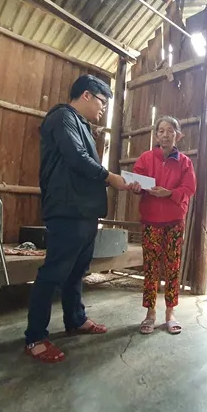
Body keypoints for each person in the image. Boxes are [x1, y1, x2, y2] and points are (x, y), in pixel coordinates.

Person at [24, 74, 136, 363]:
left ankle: (75, 319)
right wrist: (110, 176)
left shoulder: (81, 124)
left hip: (84, 211)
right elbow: (76, 157)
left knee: (77, 270)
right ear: (86, 95)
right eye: (101, 102)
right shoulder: (62, 117)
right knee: (54, 272)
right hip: (67, 209)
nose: (103, 109)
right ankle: (35, 336)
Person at [129, 116, 196, 335]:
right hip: (151, 221)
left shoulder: (185, 162)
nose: (165, 135)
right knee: (150, 267)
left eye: (170, 131)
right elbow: (136, 182)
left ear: (178, 135)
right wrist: (136, 187)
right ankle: (150, 313)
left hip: (174, 222)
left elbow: (189, 188)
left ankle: (170, 313)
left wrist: (170, 193)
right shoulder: (146, 159)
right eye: (161, 131)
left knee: (172, 267)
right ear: (156, 136)